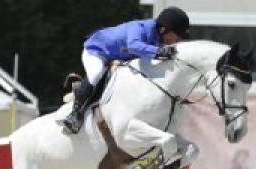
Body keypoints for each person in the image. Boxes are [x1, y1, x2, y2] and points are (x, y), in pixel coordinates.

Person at [62, 6, 190, 134]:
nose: (176, 41)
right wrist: (159, 51)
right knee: (96, 73)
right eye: (177, 37)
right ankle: (75, 113)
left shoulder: (158, 39)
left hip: (117, 57)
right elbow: (134, 46)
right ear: (164, 29)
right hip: (97, 51)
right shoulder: (139, 28)